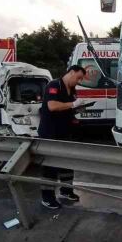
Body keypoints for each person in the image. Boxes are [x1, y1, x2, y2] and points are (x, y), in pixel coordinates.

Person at [38, 65, 89, 209]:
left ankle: (66, 190)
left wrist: (78, 108)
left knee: (67, 162)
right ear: (71, 72)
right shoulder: (54, 85)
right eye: (78, 77)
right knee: (50, 166)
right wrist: (73, 104)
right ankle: (47, 197)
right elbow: (52, 106)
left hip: (65, 131)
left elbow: (68, 107)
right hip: (50, 132)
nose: (78, 81)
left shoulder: (72, 89)